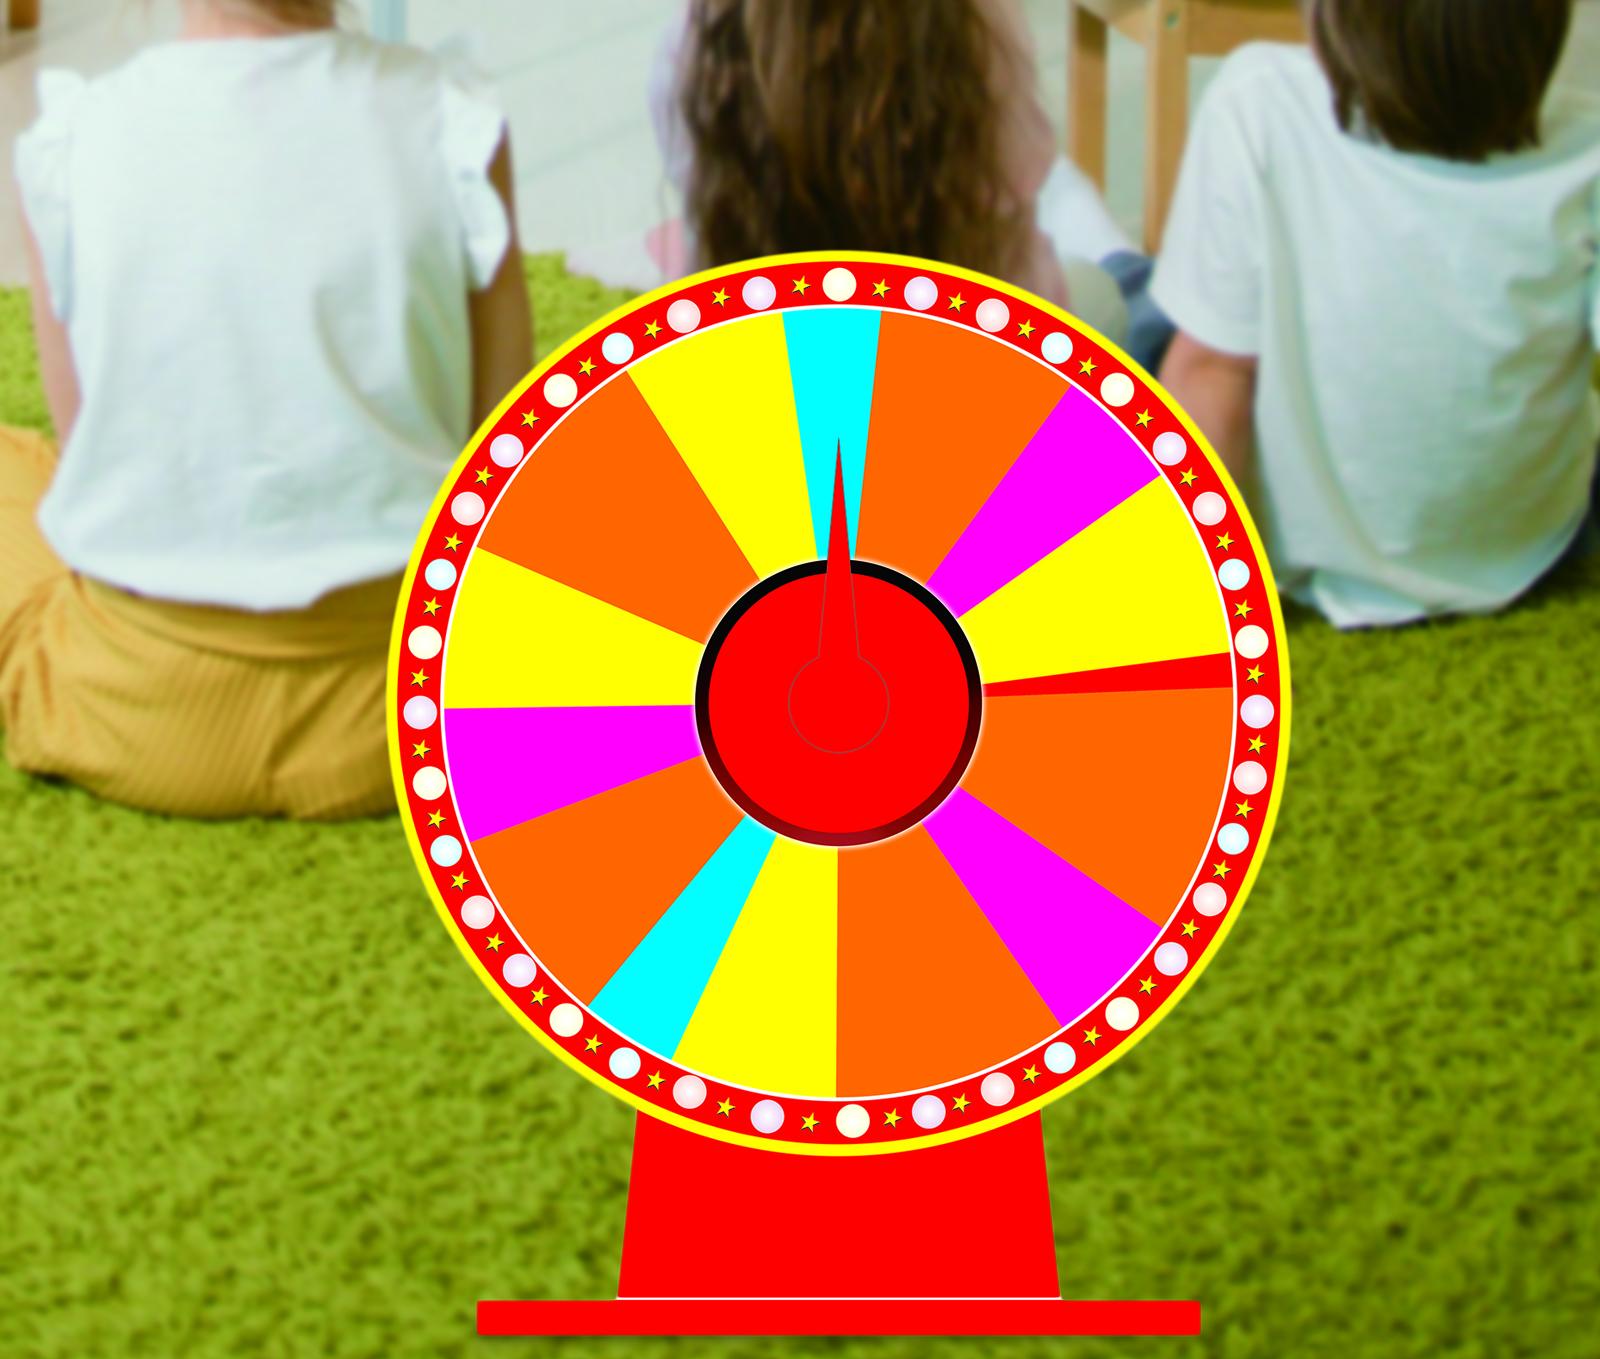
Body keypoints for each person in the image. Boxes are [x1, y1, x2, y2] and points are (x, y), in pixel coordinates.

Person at [0, 0, 533, 816]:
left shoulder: (70, 141)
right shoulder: (455, 122)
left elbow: (86, 465)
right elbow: (501, 463)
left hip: (138, 710)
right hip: (415, 708)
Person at [1153, 0, 1600, 627]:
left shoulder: (1258, 99)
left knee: (1151, 318)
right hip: (1528, 550)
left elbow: (1212, 370)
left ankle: (1104, 249)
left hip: (1295, 551)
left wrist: (1195, 600)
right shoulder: (1588, 144)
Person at [649, 0, 1170, 368]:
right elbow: (1029, 185)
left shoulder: (695, 55)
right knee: (1115, 295)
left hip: (796, 375)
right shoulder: (968, 28)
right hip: (978, 366)